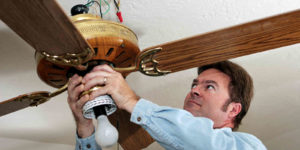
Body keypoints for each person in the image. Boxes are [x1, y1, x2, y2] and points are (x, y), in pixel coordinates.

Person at [67, 60, 267, 150]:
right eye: (195, 84)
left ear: (233, 109)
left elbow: (202, 142)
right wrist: (85, 128)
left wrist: (130, 101)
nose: (194, 90)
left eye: (210, 87)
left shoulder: (247, 146)